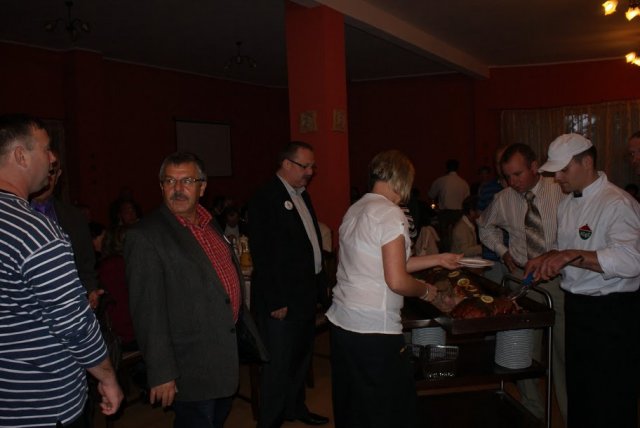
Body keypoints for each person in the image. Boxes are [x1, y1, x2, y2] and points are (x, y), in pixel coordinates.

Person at [0, 114, 122, 426]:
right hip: (43, 402)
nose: (53, 158)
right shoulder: (35, 232)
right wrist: (107, 376)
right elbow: (74, 325)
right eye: (46, 149)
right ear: (20, 156)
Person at [325, 150, 461, 428]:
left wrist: (438, 258)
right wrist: (428, 292)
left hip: (342, 324)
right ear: (401, 179)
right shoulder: (390, 212)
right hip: (374, 329)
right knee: (389, 410)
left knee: (352, 405)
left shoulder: (356, 208)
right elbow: (397, 280)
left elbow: (389, 262)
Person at [525, 133, 640, 428]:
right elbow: (569, 249)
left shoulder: (617, 203)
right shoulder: (566, 204)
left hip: (611, 314)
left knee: (610, 399)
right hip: (577, 309)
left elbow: (631, 260)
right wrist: (550, 257)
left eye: (564, 170)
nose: (557, 178)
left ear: (587, 162)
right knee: (580, 393)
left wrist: (571, 256)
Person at [125, 152, 243, 427]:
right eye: (170, 181)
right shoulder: (145, 236)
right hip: (189, 366)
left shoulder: (209, 222)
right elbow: (147, 313)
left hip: (223, 354)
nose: (178, 189)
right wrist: (162, 372)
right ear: (161, 186)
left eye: (187, 181)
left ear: (202, 187)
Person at [477, 143, 568, 421]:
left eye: (518, 174)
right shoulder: (504, 198)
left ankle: (568, 413)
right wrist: (502, 251)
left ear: (534, 167)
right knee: (522, 350)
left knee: (562, 351)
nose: (512, 182)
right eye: (507, 176)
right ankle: (533, 413)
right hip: (521, 278)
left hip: (558, 279)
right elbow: (484, 225)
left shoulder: (559, 189)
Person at [248, 141, 329, 427]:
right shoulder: (265, 197)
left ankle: (295, 408)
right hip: (281, 299)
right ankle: (269, 421)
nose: (310, 172)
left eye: (312, 166)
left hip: (304, 294)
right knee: (278, 365)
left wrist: (320, 289)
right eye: (305, 166)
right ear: (286, 164)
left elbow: (309, 244)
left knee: (300, 358)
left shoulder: (302, 195)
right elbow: (263, 253)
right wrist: (276, 300)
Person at [30, 153, 103, 309]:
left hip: (69, 308)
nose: (47, 177)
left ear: (58, 175)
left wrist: (91, 290)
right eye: (42, 169)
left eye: (52, 172)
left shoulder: (74, 217)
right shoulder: (12, 215)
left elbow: (86, 266)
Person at [428, 159, 470, 251]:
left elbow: (431, 194)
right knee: (458, 237)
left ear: (447, 168)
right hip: (459, 213)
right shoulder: (463, 183)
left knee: (445, 237)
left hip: (445, 213)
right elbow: (467, 200)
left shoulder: (440, 181)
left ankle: (446, 254)